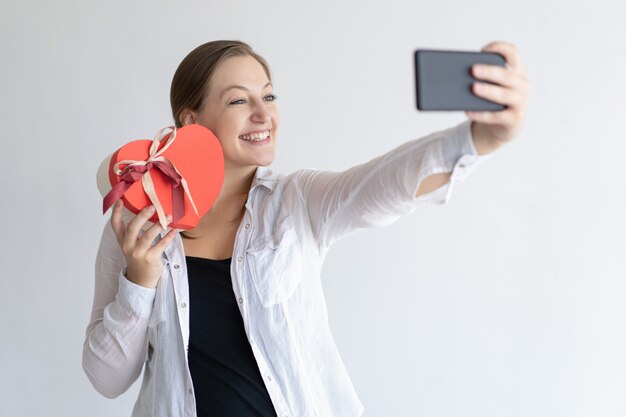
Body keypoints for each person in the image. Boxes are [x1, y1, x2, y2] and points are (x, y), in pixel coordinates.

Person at [82, 40, 529, 417]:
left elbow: (384, 185)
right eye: (239, 100)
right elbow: (107, 378)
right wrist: (138, 282)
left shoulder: (296, 203)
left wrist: (477, 141)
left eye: (269, 97)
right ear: (191, 121)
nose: (263, 114)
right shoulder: (137, 224)